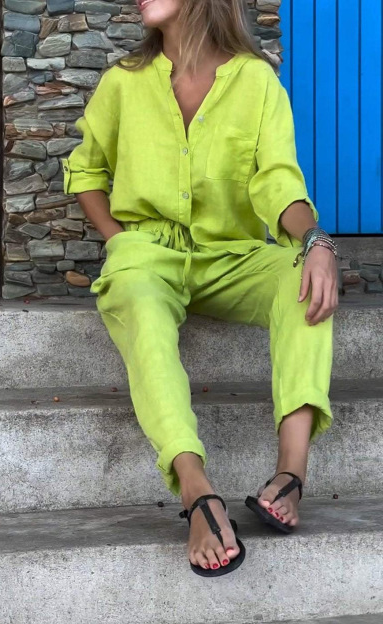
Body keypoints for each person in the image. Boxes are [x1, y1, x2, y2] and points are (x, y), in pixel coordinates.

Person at [63, 0, 338, 577]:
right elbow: (85, 171)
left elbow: (278, 181)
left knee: (304, 274)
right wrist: (120, 240)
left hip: (231, 256)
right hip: (148, 255)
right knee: (139, 303)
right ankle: (196, 489)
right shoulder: (122, 83)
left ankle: (291, 473)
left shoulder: (256, 82)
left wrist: (315, 241)